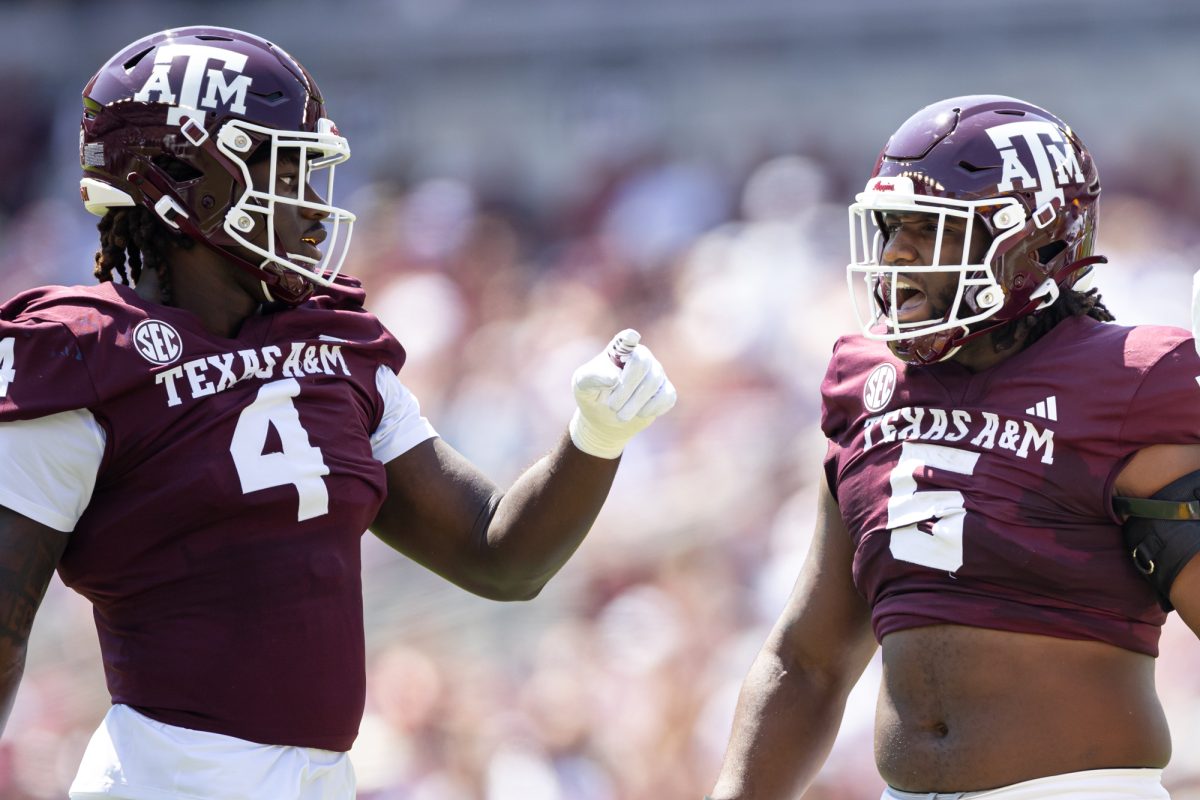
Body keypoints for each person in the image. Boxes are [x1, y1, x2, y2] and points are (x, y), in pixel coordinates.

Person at [0, 25, 676, 800]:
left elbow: (501, 555)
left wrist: (596, 435)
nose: (316, 206)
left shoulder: (332, 343)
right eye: (285, 170)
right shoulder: (80, 356)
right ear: (183, 178)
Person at [708, 95, 1200, 800]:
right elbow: (810, 659)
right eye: (890, 227)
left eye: (929, 230)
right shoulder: (866, 383)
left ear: (1037, 244)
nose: (896, 255)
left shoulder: (1133, 380)